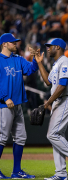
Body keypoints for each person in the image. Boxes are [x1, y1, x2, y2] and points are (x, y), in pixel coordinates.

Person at [33, 38, 68, 180]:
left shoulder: (65, 62)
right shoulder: (56, 64)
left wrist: (47, 103)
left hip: (65, 100)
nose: (47, 48)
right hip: (59, 101)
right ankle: (61, 173)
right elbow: (48, 82)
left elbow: (62, 85)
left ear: (58, 47)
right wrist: (39, 63)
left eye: (49, 46)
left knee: (52, 134)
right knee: (57, 137)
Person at [0, 33, 38, 179]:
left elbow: (30, 70)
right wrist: (5, 97)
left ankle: (16, 171)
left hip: (17, 104)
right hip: (4, 105)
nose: (15, 44)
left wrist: (36, 59)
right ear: (4, 44)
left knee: (21, 137)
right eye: (12, 42)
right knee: (2, 138)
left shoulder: (18, 59)